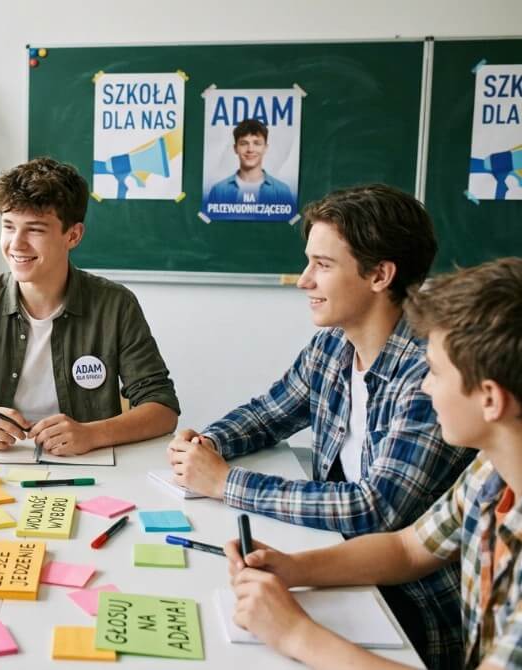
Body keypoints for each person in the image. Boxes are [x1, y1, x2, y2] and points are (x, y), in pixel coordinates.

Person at [168, 184, 473, 669]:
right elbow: (269, 412)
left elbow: (378, 510)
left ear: (380, 275)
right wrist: (206, 443)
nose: (303, 281)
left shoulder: (431, 375)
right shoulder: (333, 346)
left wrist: (226, 482)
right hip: (334, 562)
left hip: (407, 608)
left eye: (322, 265)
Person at [227, 257, 522, 670]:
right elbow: (408, 547)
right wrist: (293, 567)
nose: (424, 385)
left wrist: (296, 634)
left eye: (435, 372)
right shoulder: (490, 471)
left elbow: (378, 512)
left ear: (490, 399)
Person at [0, 157, 179, 455]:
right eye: (9, 227)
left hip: (85, 463)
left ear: (73, 235)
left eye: (34, 230)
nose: (16, 244)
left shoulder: (115, 305)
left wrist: (92, 434)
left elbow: (162, 408)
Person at [206, 118, 293, 205]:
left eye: (257, 143)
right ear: (235, 148)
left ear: (265, 148)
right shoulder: (218, 191)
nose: (250, 149)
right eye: (244, 143)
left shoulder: (283, 192)